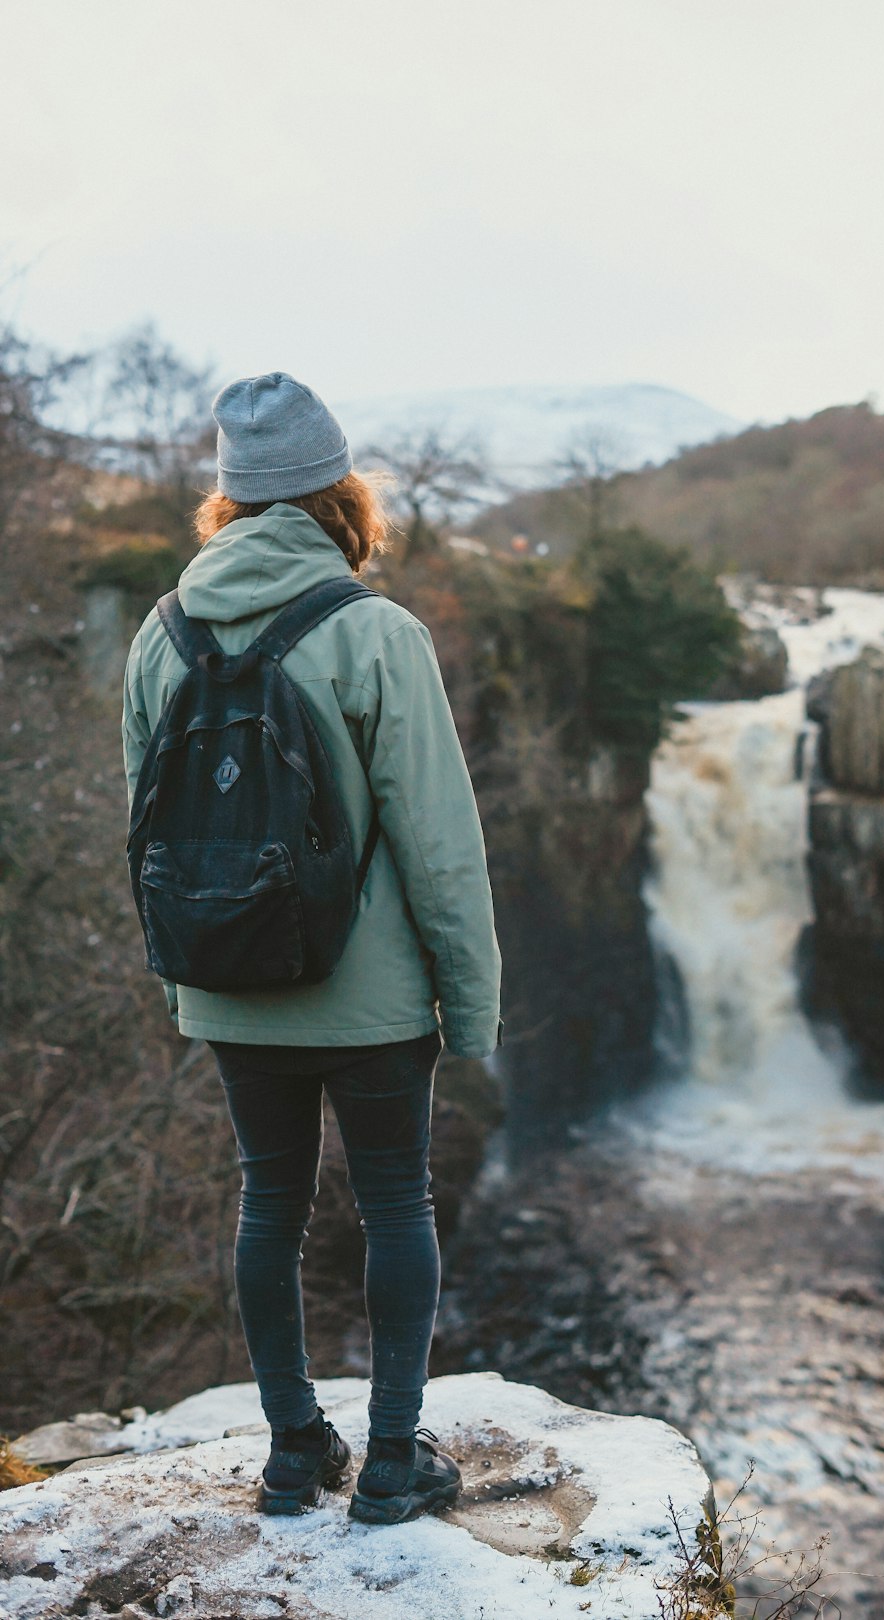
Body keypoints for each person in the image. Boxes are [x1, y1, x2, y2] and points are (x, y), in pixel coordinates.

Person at [122, 371, 502, 1524]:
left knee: (266, 1204)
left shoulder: (160, 634)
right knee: (395, 1206)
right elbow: (440, 844)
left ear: (229, 504)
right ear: (342, 498)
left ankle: (293, 1451)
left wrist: (190, 975)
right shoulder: (376, 635)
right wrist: (471, 1006)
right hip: (371, 995)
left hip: (231, 983)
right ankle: (393, 1462)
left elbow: (147, 818)